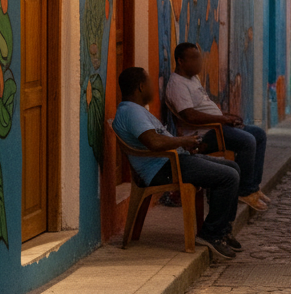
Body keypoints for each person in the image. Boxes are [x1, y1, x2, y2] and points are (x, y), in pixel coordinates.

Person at [113, 67, 242, 260]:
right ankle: (211, 234)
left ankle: (221, 229)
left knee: (233, 167)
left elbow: (157, 139)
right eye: (149, 84)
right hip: (163, 168)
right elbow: (154, 142)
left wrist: (184, 146)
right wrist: (183, 141)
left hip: (172, 160)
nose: (153, 88)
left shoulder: (136, 111)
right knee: (229, 177)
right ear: (141, 87)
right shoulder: (132, 112)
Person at [166, 43, 270, 212]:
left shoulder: (193, 79)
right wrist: (221, 119)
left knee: (258, 134)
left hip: (216, 127)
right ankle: (244, 191)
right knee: (247, 141)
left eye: (199, 57)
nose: (199, 62)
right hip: (204, 134)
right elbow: (189, 116)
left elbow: (204, 105)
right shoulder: (177, 84)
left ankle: (252, 187)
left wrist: (226, 116)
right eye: (194, 58)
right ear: (180, 61)